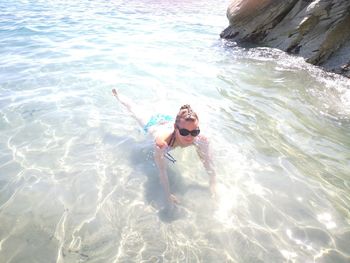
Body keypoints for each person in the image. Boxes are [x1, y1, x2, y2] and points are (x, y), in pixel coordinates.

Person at [112, 89, 216, 206]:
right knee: (133, 109)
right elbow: (162, 170)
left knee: (163, 103)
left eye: (194, 131)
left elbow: (207, 162)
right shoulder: (162, 144)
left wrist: (213, 183)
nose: (189, 136)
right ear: (176, 128)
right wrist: (168, 194)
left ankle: (161, 92)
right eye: (184, 132)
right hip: (153, 125)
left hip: (166, 121)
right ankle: (118, 95)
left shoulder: (200, 139)